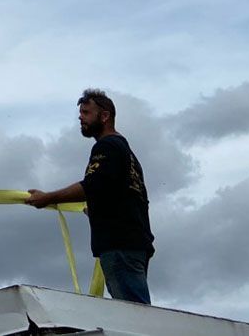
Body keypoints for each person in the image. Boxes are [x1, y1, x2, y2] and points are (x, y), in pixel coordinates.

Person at [25, 88, 154, 304]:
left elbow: (93, 185)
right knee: (135, 310)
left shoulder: (107, 146)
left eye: (86, 113)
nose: (81, 118)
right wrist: (96, 209)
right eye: (80, 114)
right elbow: (126, 194)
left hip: (119, 244)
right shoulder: (125, 151)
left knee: (135, 314)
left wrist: (48, 198)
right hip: (134, 242)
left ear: (104, 116)